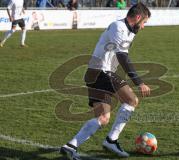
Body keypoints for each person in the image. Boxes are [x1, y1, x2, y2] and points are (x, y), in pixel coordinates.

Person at [60, 2, 151, 159]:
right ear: (137, 17)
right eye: (144, 22)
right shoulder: (118, 27)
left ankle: (71, 145)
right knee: (132, 100)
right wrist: (139, 82)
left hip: (96, 73)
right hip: (101, 72)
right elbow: (123, 57)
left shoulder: (130, 32)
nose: (143, 27)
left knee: (103, 118)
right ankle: (111, 140)